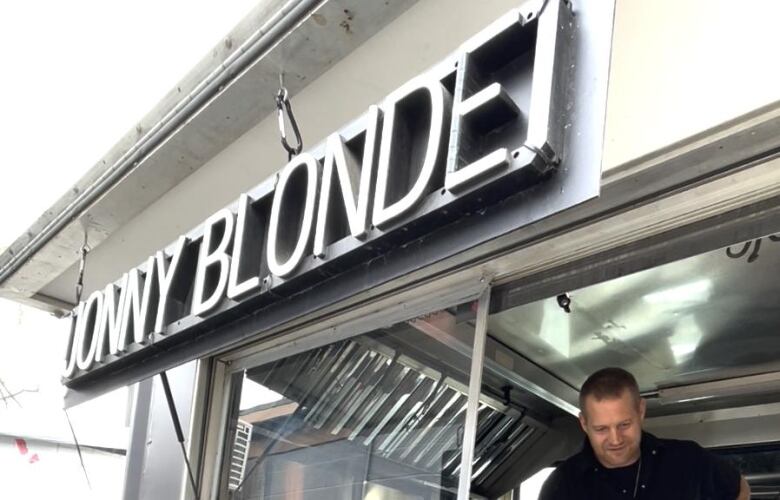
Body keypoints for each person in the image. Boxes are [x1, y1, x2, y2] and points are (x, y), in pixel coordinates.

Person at [539, 367, 750, 499]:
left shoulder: (687, 459)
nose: (615, 439)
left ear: (641, 411)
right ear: (584, 423)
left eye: (624, 425)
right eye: (601, 429)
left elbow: (739, 486)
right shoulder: (561, 485)